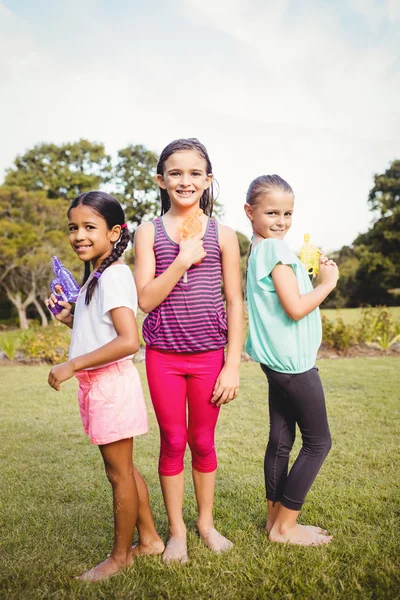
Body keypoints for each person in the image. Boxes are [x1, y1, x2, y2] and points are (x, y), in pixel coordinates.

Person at [134, 138, 243, 563]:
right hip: (164, 356)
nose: (185, 180)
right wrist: (181, 260)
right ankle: (177, 531)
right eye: (175, 173)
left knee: (202, 440)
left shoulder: (225, 235)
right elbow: (145, 299)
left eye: (195, 173)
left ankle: (206, 524)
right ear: (161, 180)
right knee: (172, 440)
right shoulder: (149, 232)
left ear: (208, 180)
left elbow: (234, 301)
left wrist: (232, 365)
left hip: (209, 357)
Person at [46, 191, 164, 581]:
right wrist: (69, 317)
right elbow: (101, 333)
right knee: (124, 470)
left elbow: (130, 340)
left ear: (114, 232)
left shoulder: (113, 274)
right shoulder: (100, 273)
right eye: (73, 228)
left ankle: (119, 557)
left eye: (89, 227)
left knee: (119, 475)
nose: (78, 235)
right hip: (101, 385)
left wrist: (71, 365)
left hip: (110, 387)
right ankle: (148, 540)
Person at [244, 175, 339, 546]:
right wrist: (327, 284)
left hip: (276, 362)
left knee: (281, 440)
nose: (281, 221)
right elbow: (296, 308)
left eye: (287, 213)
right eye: (271, 212)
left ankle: (274, 521)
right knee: (318, 443)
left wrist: (303, 269)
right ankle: (286, 528)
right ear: (249, 211)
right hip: (294, 364)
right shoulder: (275, 250)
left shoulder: (261, 249)